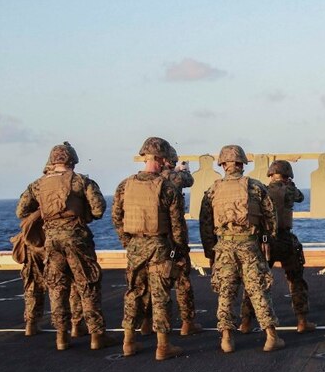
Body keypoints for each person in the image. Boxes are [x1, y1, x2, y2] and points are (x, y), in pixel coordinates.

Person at [16, 142, 107, 350]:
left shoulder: (38, 184)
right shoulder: (80, 181)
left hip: (51, 240)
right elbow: (98, 209)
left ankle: (61, 337)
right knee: (87, 284)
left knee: (57, 287)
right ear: (72, 160)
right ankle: (96, 336)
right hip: (76, 238)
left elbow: (21, 210)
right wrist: (82, 214)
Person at [199, 144, 284, 354]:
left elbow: (205, 224)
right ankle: (271, 336)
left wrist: (211, 251)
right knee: (258, 290)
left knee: (226, 292)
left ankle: (226, 338)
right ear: (242, 164)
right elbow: (271, 219)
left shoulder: (212, 190)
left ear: (222, 164)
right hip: (249, 244)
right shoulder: (255, 187)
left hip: (224, 246)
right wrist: (267, 240)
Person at [113, 137, 190, 360]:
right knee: (160, 295)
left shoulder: (124, 185)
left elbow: (117, 218)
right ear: (163, 158)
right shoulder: (167, 187)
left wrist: (128, 243)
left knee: (133, 292)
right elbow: (177, 226)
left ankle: (128, 342)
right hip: (160, 246)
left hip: (136, 246)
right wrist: (179, 252)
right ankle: (163, 346)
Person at [239, 159, 316, 333]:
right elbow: (300, 197)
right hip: (285, 239)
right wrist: (290, 184)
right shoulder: (290, 190)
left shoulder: (261, 190)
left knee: (255, 282)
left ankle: (245, 322)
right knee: (296, 280)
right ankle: (302, 321)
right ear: (287, 175)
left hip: (265, 241)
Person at [14, 164, 84, 338]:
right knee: (73, 282)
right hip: (58, 239)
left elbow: (20, 211)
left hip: (35, 241)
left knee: (34, 283)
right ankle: (75, 324)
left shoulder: (36, 186)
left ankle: (31, 323)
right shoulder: (70, 185)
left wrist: (39, 212)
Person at [138, 148, 201, 336]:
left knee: (148, 283)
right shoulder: (172, 177)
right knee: (182, 280)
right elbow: (188, 180)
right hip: (170, 237)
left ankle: (147, 322)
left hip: (145, 238)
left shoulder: (138, 181)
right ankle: (187, 323)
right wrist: (184, 170)